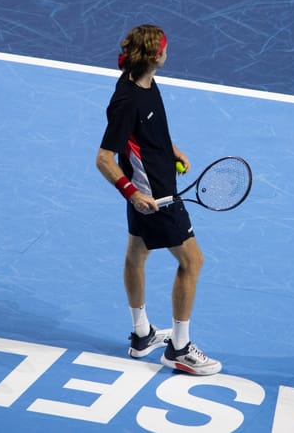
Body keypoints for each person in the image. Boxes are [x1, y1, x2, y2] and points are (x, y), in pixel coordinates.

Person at [95, 24, 221, 376]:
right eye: (165, 47)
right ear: (155, 56)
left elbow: (149, 133)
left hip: (150, 186)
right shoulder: (127, 99)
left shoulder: (145, 82)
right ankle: (179, 349)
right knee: (192, 262)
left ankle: (142, 335)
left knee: (136, 255)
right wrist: (134, 194)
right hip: (155, 196)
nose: (168, 51)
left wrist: (171, 148)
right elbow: (104, 158)